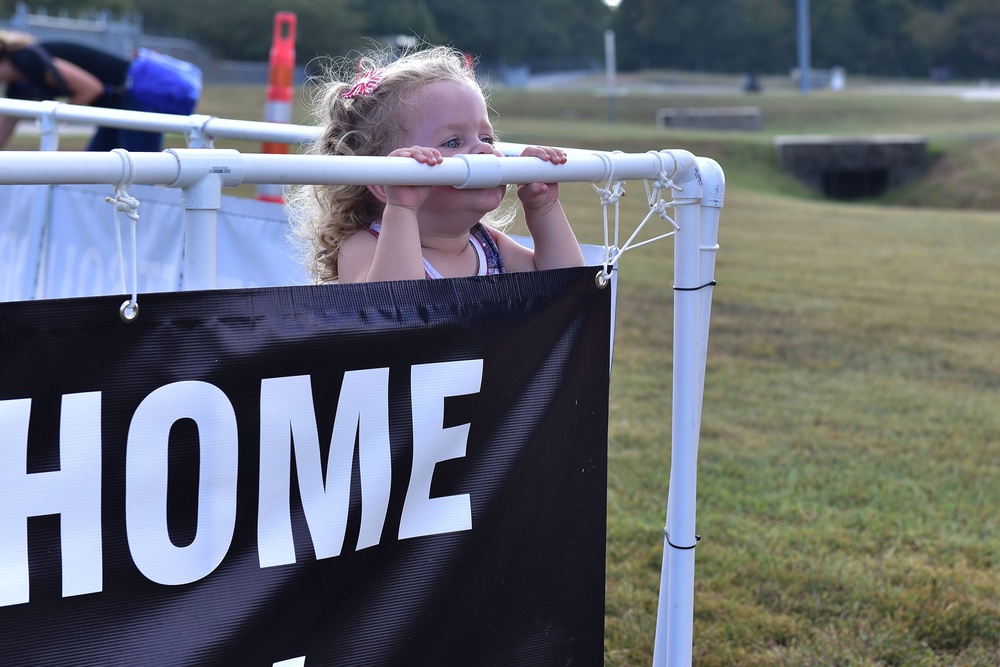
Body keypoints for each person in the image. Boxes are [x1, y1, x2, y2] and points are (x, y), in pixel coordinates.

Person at [287, 45, 584, 283]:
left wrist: (543, 208)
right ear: (382, 182)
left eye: (487, 138)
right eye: (453, 142)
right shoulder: (364, 246)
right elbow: (393, 310)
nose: (483, 150)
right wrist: (402, 207)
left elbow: (565, 289)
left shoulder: (488, 246)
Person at [0, 30, 165, 151]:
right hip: (115, 105)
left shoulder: (26, 60)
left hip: (137, 98)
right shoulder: (17, 85)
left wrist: (58, 118)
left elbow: (90, 88)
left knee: (139, 176)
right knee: (96, 173)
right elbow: (7, 123)